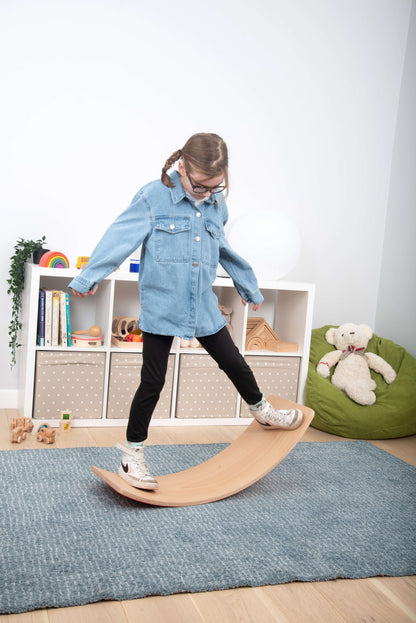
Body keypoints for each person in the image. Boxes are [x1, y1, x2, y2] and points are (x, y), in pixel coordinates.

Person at [69, 133, 303, 490]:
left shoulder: (215, 203)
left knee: (234, 362)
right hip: (162, 303)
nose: (207, 193)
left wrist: (248, 286)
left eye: (215, 187)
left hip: (203, 304)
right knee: (153, 380)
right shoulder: (153, 196)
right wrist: (89, 277)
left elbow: (223, 247)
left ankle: (262, 412)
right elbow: (120, 236)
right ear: (183, 167)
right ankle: (132, 455)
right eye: (200, 185)